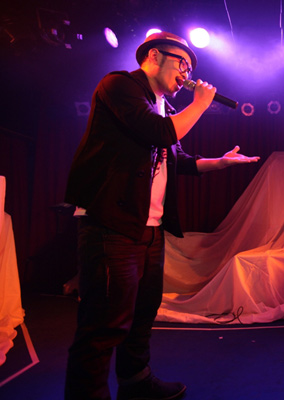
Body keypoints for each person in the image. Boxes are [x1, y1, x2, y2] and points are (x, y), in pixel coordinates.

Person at [64, 31, 259, 400]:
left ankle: (136, 382)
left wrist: (220, 163)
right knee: (104, 323)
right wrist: (200, 105)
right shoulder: (119, 86)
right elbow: (160, 133)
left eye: (190, 68)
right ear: (154, 56)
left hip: (149, 227)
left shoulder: (163, 106)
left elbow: (176, 158)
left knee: (142, 313)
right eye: (181, 63)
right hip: (111, 222)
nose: (186, 73)